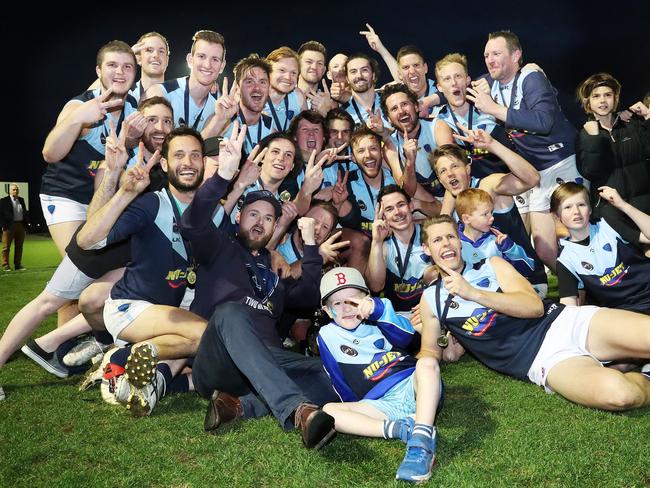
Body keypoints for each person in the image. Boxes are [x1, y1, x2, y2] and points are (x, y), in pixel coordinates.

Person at [177, 123, 339, 449]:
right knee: (232, 313)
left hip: (270, 359)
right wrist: (223, 177)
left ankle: (242, 405)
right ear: (239, 218)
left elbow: (308, 295)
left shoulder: (274, 269)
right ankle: (298, 410)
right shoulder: (219, 247)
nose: (260, 222)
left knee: (334, 370)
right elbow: (192, 222)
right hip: (220, 360)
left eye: (268, 218)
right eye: (253, 214)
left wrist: (310, 246)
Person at [418, 214, 650, 412]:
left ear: (459, 242)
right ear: (427, 249)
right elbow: (430, 350)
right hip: (542, 360)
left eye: (450, 237)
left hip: (563, 322)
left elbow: (533, 306)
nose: (446, 244)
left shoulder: (493, 265)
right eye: (437, 240)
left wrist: (473, 293)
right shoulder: (431, 299)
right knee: (622, 395)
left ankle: (629, 357)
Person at [76, 126, 210, 416]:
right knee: (203, 335)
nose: (187, 162)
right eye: (179, 155)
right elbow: (87, 240)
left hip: (167, 315)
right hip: (131, 308)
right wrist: (125, 193)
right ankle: (121, 356)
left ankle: (143, 380)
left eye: (195, 155)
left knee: (194, 342)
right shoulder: (152, 204)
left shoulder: (212, 210)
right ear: (164, 164)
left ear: (204, 163)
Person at [468, 30, 583, 270]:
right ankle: (579, 291)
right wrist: (429, 101)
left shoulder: (530, 76)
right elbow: (458, 84)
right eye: (487, 55)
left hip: (562, 161)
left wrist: (494, 109)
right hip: (537, 172)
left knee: (577, 231)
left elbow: (543, 121)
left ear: (516, 55)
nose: (490, 60)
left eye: (497, 53)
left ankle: (598, 290)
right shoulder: (491, 82)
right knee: (544, 248)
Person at [318, 267, 442, 482]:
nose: (346, 308)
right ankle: (401, 428)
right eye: (337, 303)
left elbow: (407, 338)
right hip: (381, 404)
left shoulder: (382, 312)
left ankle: (421, 441)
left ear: (366, 298)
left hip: (413, 387)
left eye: (352, 300)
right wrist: (358, 411)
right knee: (329, 411)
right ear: (327, 311)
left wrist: (379, 311)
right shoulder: (327, 335)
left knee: (428, 364)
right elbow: (338, 379)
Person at [41, 40, 138, 256]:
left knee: (114, 272)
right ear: (98, 71)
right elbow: (50, 153)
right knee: (78, 266)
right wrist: (77, 120)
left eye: (127, 66)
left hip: (103, 199)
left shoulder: (135, 108)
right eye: (112, 65)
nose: (120, 72)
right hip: (67, 195)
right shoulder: (80, 106)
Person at [430, 130, 547, 296]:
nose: (450, 174)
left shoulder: (487, 187)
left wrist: (492, 145)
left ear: (468, 169)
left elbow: (532, 178)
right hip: (484, 288)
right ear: (440, 179)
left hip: (525, 280)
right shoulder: (450, 206)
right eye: (443, 171)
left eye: (455, 166)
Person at [575, 73, 650, 251]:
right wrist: (593, 138)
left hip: (645, 206)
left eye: (608, 95)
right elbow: (590, 172)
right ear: (588, 102)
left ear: (615, 98)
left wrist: (647, 117)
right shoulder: (585, 134)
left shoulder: (631, 124)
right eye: (596, 96)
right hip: (614, 213)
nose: (602, 100)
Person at [553, 182, 650, 313]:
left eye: (581, 205)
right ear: (558, 216)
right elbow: (568, 306)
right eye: (568, 207)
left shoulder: (608, 224)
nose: (576, 212)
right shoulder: (566, 259)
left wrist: (623, 205)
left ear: (590, 209)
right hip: (628, 313)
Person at [434, 53, 510, 179]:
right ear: (440, 87)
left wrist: (529, 68)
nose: (453, 83)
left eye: (458, 76)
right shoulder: (440, 121)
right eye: (447, 79)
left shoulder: (489, 103)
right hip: (473, 191)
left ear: (467, 80)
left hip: (510, 179)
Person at [366, 185, 434, 316]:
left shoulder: (430, 234)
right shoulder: (383, 246)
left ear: (411, 206)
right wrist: (377, 241)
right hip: (398, 317)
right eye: (389, 209)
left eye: (401, 205)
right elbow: (375, 286)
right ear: (383, 217)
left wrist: (430, 305)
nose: (397, 212)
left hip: (430, 309)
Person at [145, 30, 225, 131]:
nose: (207, 65)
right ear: (190, 60)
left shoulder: (220, 105)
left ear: (222, 66)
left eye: (215, 59)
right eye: (201, 56)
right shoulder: (161, 93)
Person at [201, 54, 274, 155]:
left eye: (262, 82)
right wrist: (219, 120)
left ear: (269, 88)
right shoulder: (222, 121)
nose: (257, 88)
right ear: (237, 88)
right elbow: (196, 151)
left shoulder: (270, 129)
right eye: (249, 82)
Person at [456, 188, 535, 277]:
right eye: (485, 214)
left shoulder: (497, 239)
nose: (492, 218)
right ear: (466, 219)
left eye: (491, 212)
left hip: (499, 289)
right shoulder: (455, 243)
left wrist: (511, 249)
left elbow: (529, 269)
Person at [265, 47, 307, 132]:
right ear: (268, 71)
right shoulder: (253, 100)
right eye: (282, 70)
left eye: (293, 73)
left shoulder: (298, 96)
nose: (288, 77)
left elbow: (306, 130)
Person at [1, 184, 29, 271]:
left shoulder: (21, 200)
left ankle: (17, 265)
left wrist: (26, 224)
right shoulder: (3, 201)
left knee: (19, 246)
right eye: (13, 189)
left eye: (16, 189)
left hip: (20, 225)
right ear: (9, 191)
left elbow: (24, 212)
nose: (15, 191)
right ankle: (5, 265)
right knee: (6, 247)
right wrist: (3, 225)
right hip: (9, 226)